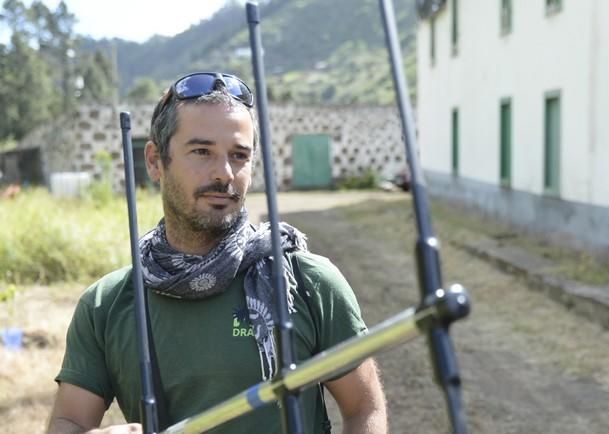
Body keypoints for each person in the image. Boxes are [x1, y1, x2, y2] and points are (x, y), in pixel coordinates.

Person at [47, 72, 387, 434]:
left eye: (239, 155)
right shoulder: (107, 304)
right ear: (154, 161)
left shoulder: (305, 282)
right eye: (201, 152)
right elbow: (69, 421)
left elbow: (363, 407)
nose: (224, 173)